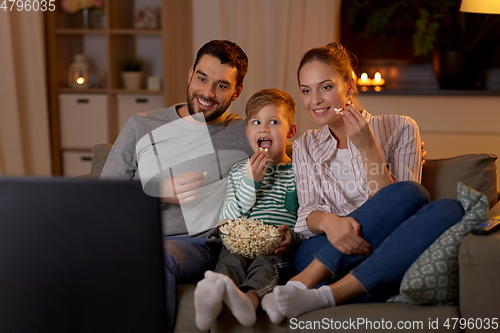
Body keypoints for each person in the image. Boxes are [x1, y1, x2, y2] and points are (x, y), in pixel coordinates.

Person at [260, 42, 465, 323]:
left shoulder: (401, 128)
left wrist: (368, 148)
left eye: (326, 87)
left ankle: (319, 294)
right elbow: (307, 213)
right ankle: (308, 281)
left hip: (380, 250)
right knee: (408, 202)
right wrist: (332, 224)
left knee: (446, 208)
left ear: (350, 85)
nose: (315, 100)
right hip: (319, 251)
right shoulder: (306, 145)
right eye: (306, 90)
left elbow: (403, 208)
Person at [99, 40, 254, 333]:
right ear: (190, 74)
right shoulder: (141, 126)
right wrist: (154, 192)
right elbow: (104, 199)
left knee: (157, 258)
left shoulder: (247, 133)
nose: (207, 93)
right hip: (134, 237)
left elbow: (293, 164)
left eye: (222, 85)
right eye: (202, 78)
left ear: (237, 90)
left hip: (196, 245)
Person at [194, 88, 302, 330]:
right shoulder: (238, 171)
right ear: (247, 132)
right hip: (239, 243)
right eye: (256, 122)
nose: (264, 129)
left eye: (273, 122)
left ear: (291, 131)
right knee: (229, 261)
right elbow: (228, 217)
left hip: (275, 248)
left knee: (266, 266)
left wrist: (292, 238)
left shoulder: (299, 174)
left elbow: (304, 221)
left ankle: (248, 301)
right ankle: (212, 296)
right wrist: (251, 181)